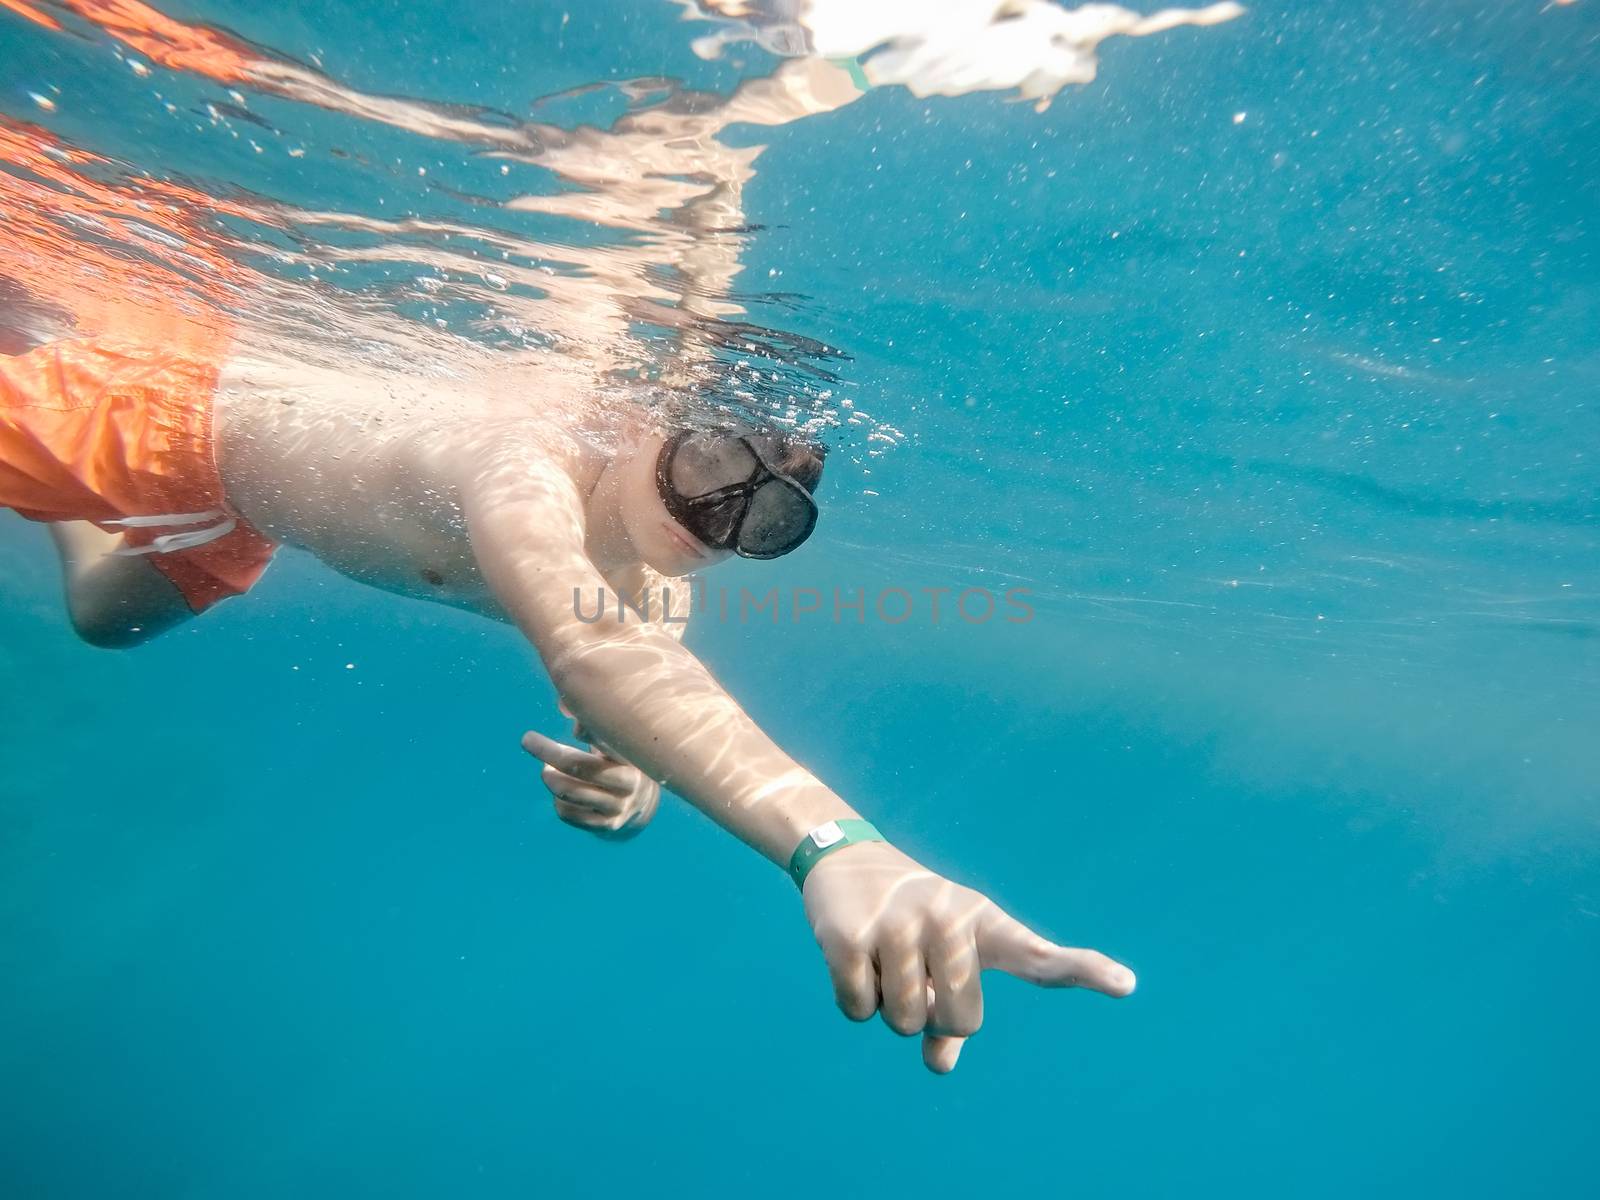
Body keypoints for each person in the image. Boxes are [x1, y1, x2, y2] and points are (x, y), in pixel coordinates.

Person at [1, 324, 1136, 1074]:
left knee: (106, 619)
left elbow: (646, 706)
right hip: (165, 411)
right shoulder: (518, 462)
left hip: (242, 515)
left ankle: (78, 508)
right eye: (707, 471)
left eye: (763, 521)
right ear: (643, 414)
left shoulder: (658, 597)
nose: (714, 523)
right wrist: (836, 844)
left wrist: (633, 783)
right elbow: (596, 659)